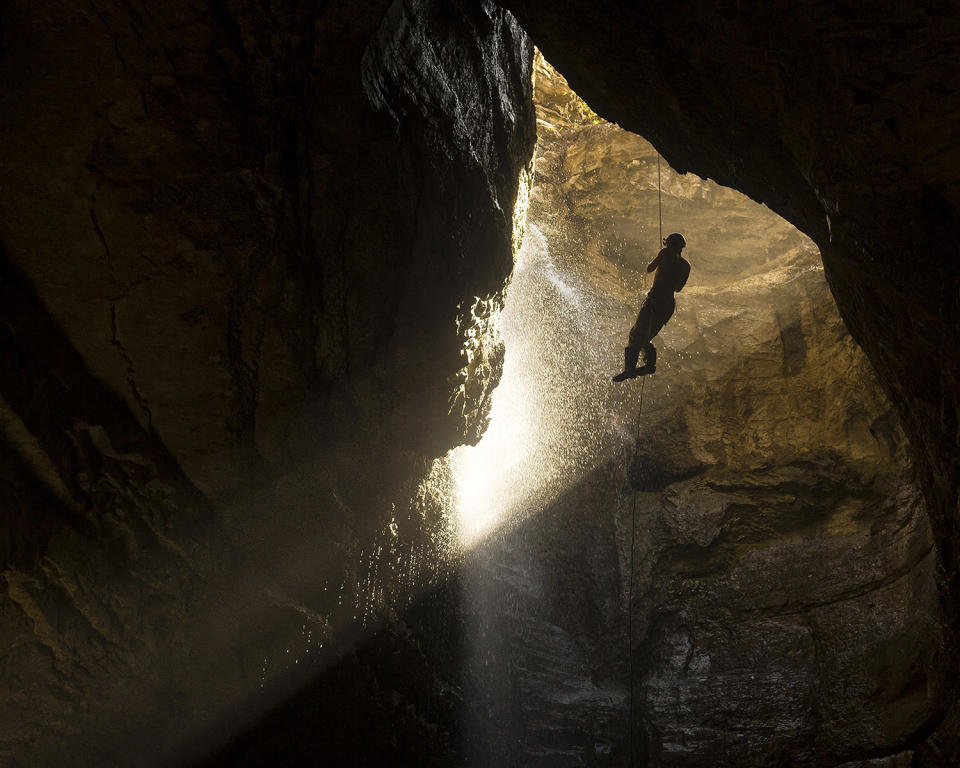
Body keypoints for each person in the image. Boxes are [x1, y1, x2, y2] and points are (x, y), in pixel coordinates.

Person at [612, 232, 690, 382]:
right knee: (647, 336)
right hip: (667, 306)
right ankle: (650, 365)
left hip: (655, 300)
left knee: (636, 335)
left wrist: (661, 260)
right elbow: (678, 288)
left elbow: (649, 269)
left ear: (669, 244)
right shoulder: (686, 266)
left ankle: (629, 370)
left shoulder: (666, 252)